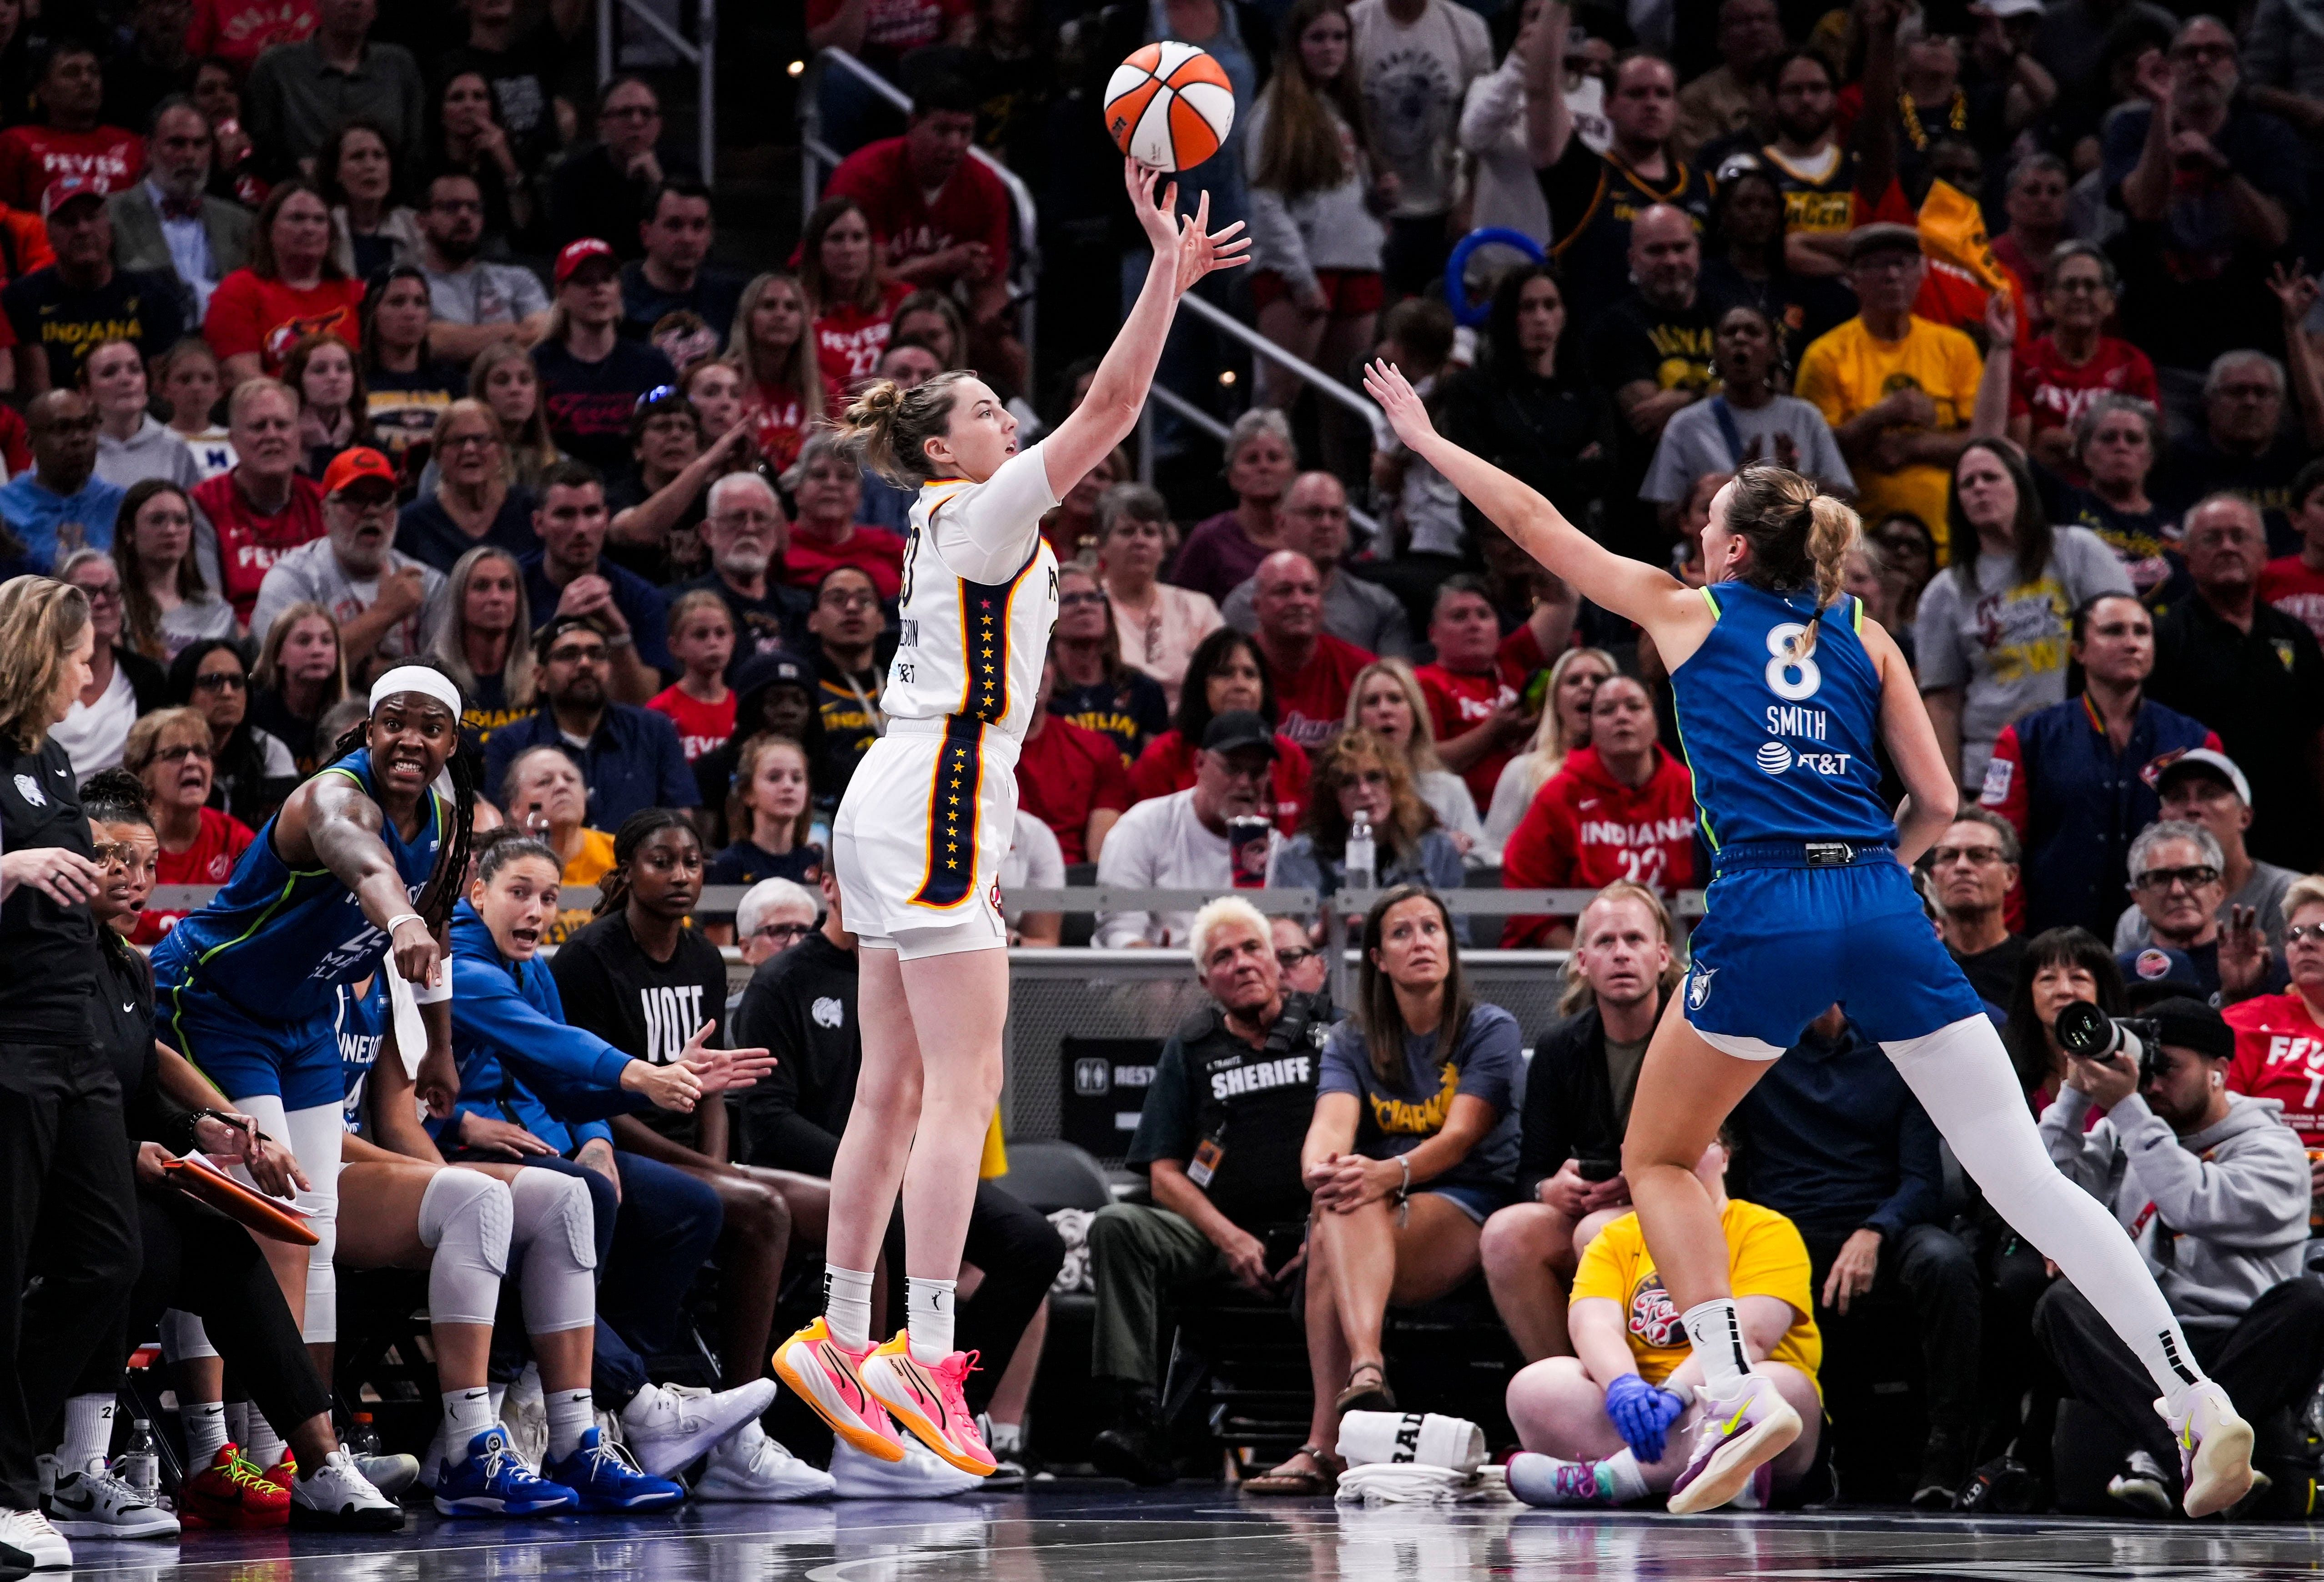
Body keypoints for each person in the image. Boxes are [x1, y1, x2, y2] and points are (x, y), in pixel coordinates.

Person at [1366, 355, 2261, 1517]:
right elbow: (1938, 804)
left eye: (1707, 521)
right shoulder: (1868, 633)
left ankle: (1736, 1387)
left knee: (1656, 1158)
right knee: (2025, 1176)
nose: (1695, 534)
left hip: (1767, 902)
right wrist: (1870, 889)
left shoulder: (1689, 615)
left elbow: (1536, 522)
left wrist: (1426, 437)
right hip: (1884, 908)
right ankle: (2192, 1393)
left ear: (1735, 549)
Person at [146, 662, 473, 1465]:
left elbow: (435, 920)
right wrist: (396, 920)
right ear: (367, 728)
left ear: (450, 742)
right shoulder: (329, 797)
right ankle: (217, 1447)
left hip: (303, 1021)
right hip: (213, 1002)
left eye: (431, 727)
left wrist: (439, 1044)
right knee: (255, 1221)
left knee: (315, 1229)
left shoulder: (445, 811)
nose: (411, 738)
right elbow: (368, 866)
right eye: (395, 720)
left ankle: (300, 1445)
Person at [435, 825, 781, 1509]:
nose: (535, 910)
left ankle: (604, 1394)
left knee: (690, 1208)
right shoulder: (458, 966)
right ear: (477, 894)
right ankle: (637, 1401)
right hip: (460, 1156)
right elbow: (553, 1044)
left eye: (548, 897)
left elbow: (557, 1083)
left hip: (544, 1144)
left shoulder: (532, 968)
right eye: (519, 893)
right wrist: (644, 1075)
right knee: (580, 1197)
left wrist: (594, 1133)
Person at [738, 862, 1065, 1492]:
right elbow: (768, 1120)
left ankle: (937, 1404)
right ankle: (871, 1430)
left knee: (1034, 1241)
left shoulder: (918, 966)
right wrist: (875, 1168)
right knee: (884, 1220)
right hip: (826, 1171)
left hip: (915, 1162)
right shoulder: (782, 981)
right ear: (831, 884)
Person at [547, 812, 840, 1501]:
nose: (681, 875)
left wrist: (716, 1160)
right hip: (614, 1144)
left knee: (847, 1209)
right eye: (661, 861)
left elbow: (712, 1083)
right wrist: (710, 1174)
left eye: (692, 862)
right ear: (625, 870)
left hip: (691, 1153)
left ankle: (849, 1426)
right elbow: (588, 1092)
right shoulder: (588, 957)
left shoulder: (705, 957)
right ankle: (740, 1430)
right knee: (761, 1210)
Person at [1245, 885, 1520, 1495]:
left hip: (1468, 1203)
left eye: (1431, 928)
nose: (1420, 941)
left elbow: (1458, 1138)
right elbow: (1328, 1131)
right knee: (1333, 1203)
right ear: (1376, 957)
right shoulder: (1352, 1040)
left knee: (1340, 1210)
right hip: (1379, 1208)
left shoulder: (1488, 1028)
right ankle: (1363, 1375)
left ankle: (1325, 1440)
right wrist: (1324, 1169)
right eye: (1402, 932)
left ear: (1449, 944)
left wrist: (1381, 1173)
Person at [2033, 996, 2321, 1517]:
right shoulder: (2123, 1134)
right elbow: (2042, 1198)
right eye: (2147, 1068)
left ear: (2220, 1071)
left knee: (2309, 1299)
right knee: (2060, 1303)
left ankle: (2157, 1456)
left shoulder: (2275, 1148)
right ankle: (2185, 1456)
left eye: (2168, 1068)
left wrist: (2127, 1108)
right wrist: (2074, 1095)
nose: (2153, 1084)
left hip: (2240, 1339)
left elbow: (2189, 1202)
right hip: (2148, 1341)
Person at [1084, 895, 1328, 1486]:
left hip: (1323, 1230)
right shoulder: (1189, 1050)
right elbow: (1162, 1171)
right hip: (1215, 1235)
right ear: (1203, 979)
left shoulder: (1334, 1034)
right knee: (1117, 1225)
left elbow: (1365, 1149)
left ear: (1276, 961)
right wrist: (1227, 1236)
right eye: (1224, 956)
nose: (1242, 963)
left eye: (1252, 948)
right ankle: (1142, 1419)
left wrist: (1321, 1235)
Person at [1731, 1000, 1982, 1508]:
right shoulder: (1752, 1052)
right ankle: (1785, 1453)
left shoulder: (1894, 1046)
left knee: (1945, 1259)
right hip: (1782, 1227)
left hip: (1881, 1220)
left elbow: (1922, 1180)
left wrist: (1875, 1231)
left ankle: (1947, 1452)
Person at [1499, 1130, 1824, 1510]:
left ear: (1726, 1158)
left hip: (1721, 1398)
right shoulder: (1616, 1237)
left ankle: (1615, 1479)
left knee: (1782, 1387)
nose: (1680, 1154)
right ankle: (1718, 1477)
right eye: (1662, 1145)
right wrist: (1624, 1387)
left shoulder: (1765, 1229)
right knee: (1534, 1386)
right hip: (1643, 1405)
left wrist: (1675, 1395)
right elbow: (1593, 1325)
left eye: (1699, 1141)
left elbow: (1752, 1337)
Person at [1482, 882, 1676, 1362]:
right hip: (1595, 1211)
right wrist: (1549, 1189)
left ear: (1663, 956)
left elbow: (1734, 1153)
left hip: (1681, 1207)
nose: (1621, 954)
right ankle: (1567, 1389)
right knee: (1506, 1234)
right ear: (1583, 963)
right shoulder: (1558, 1048)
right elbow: (1531, 1169)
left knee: (1597, 1235)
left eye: (1634, 940)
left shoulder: (1696, 1036)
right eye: (1606, 942)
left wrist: (1646, 1178)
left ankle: (1626, 1387)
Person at [1978, 594, 2217, 938]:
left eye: (2142, 632)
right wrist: (2012, 938)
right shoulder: (2026, 738)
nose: (2132, 643)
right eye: (2114, 631)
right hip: (2051, 940)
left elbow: (2216, 850)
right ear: (2078, 651)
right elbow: (1999, 847)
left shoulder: (2196, 741)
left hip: (2166, 940)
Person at [1916, 438, 2133, 792]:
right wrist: (1951, 800)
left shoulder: (2078, 550)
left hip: (2088, 752)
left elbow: (2129, 643)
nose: (1980, 489)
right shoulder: (1945, 591)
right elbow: (1942, 704)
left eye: (1991, 477)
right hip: (1989, 767)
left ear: (2021, 485)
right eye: (1967, 484)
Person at [2105, 20, 2304, 407]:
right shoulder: (2131, 127)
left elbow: (2276, 233)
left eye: (2216, 53)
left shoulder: (2270, 135)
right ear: (2169, 66)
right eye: (2187, 53)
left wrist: (2218, 166)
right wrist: (2162, 107)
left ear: (2237, 67)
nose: (2201, 61)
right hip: (2158, 349)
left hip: (2252, 352)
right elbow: (2145, 208)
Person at [2146, 495, 2324, 872]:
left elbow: (2316, 742)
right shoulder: (2163, 638)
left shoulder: (2295, 636)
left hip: (2292, 831)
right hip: (2200, 837)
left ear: (2264, 555)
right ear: (2188, 559)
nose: (2228, 547)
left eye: (2239, 537)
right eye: (2212, 539)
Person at [822, 76, 1020, 393]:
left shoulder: (986, 185)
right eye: (943, 131)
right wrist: (944, 263)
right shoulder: (865, 174)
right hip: (856, 303)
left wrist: (995, 317)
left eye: (965, 132)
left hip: (938, 311)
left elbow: (992, 287)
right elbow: (863, 278)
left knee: (1010, 354)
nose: (954, 144)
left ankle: (1012, 430)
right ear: (913, 126)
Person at [1794, 226, 1985, 547]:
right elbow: (1813, 456)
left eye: (1904, 263)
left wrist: (1913, 446)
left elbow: (1983, 442)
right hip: (1859, 544)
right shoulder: (1825, 355)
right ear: (1853, 279)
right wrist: (1878, 417)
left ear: (1922, 274)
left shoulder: (1956, 348)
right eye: (1877, 264)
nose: (1892, 274)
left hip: (1951, 540)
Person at [1245, 0, 1390, 414]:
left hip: (1358, 261)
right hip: (1301, 271)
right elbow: (1267, 204)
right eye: (1318, 38)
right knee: (1281, 399)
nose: (1331, 48)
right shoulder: (1274, 113)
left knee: (1347, 405)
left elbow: (1345, 195)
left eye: (1339, 37)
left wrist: (1381, 198)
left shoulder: (1346, 107)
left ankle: (1344, 481)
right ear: (1295, 46)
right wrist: (1302, 279)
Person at [1526, 37, 1713, 326]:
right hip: (1597, 360)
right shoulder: (1584, 177)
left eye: (1662, 94)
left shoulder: (1705, 187)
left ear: (1676, 107)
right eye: (1637, 94)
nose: (1651, 104)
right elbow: (1541, 91)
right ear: (1608, 104)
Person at [1501, 674, 1699, 947]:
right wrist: (1585, 962)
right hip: (1580, 958)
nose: (1622, 717)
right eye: (1607, 710)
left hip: (1685, 957)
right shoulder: (1560, 795)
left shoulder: (1695, 793)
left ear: (1655, 719)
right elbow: (1525, 893)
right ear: (1591, 727)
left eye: (1634, 707)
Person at [1435, 263, 1610, 567]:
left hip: (1579, 549)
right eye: (1528, 307)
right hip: (1497, 550)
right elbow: (1480, 482)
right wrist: (1570, 468)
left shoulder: (1590, 395)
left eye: (1550, 306)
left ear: (1564, 315)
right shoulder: (1471, 391)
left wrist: (1516, 466)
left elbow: (1602, 474)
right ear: (1509, 316)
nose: (1541, 317)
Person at [482, 613, 698, 835]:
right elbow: (502, 827)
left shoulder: (654, 731)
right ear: (541, 678)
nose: (585, 663)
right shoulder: (510, 742)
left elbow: (680, 819)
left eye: (597, 654)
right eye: (569, 654)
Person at [1643, 303, 1853, 519]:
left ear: (1774, 351)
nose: (1740, 339)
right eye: (1729, 332)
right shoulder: (1685, 425)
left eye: (1753, 332)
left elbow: (1845, 500)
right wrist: (1730, 488)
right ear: (1715, 350)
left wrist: (1794, 481)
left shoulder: (1805, 416)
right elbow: (1666, 518)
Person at [252, 446, 448, 675]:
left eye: (383, 500)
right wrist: (385, 613)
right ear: (325, 513)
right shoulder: (293, 579)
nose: (371, 512)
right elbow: (279, 669)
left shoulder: (429, 584)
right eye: (355, 500)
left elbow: (445, 681)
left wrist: (374, 671)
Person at [4, 176, 183, 396]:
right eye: (69, 222)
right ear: (48, 232)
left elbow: (161, 391)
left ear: (110, 225)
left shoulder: (153, 294)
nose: (83, 230)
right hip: (62, 423)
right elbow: (39, 398)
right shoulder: (24, 298)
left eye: (92, 217)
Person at [2112, 751, 2301, 956]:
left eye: (2210, 794)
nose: (2193, 808)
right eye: (2178, 797)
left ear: (2245, 817)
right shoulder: (2137, 920)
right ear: (2163, 820)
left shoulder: (2291, 895)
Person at [1129, 628, 1314, 832]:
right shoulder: (1164, 756)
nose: (1240, 685)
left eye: (1250, 674)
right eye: (1225, 674)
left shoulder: (1289, 756)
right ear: (1201, 685)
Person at [519, 459, 673, 697]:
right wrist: (560, 626)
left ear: (606, 518)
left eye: (591, 513)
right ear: (539, 524)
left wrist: (620, 634)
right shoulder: (510, 587)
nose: (581, 528)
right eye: (565, 514)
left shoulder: (640, 596)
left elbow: (643, 704)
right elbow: (509, 697)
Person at [533, 239, 678, 488]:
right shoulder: (538, 364)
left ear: (618, 288)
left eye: (607, 280)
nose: (598, 289)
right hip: (560, 490)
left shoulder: (652, 364)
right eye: (585, 281)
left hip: (638, 492)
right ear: (561, 292)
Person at [1269, 724, 1465, 907]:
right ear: (1332, 795)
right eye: (1348, 782)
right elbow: (1295, 938)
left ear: (1394, 784)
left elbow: (1457, 936)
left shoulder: (1437, 849)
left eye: (1374, 777)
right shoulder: (1301, 855)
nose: (1364, 791)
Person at [2005, 244, 2157, 482]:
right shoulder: (2022, 365)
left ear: (2110, 302)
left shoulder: (2134, 364)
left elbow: (2150, 449)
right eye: (2069, 285)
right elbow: (2017, 456)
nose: (2080, 294)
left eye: (2091, 286)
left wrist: (2077, 448)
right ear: (2048, 301)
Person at [1222, 471, 1412, 659]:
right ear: (1282, 524)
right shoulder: (1244, 605)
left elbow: (1400, 684)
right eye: (1314, 513)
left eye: (1336, 514)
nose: (1326, 524)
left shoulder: (1380, 606)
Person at [2223, 876, 2324, 1206]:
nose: (2305, 943)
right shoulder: (2247, 1022)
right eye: (2294, 935)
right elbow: (2216, 1124)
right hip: (2266, 1194)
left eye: (2321, 931)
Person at [192, 377, 326, 624]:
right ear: (233, 441)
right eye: (258, 427)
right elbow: (210, 607)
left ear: (298, 437)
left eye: (282, 425)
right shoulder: (204, 503)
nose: (271, 435)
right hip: (238, 645)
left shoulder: (324, 503)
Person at [203, 181, 366, 382]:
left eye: (320, 220)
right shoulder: (238, 290)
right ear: (269, 230)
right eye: (297, 219)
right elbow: (239, 372)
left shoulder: (355, 293)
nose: (309, 228)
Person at [244, 0, 426, 177]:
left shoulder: (399, 65)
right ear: (318, 5)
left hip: (385, 195)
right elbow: (262, 145)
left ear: (376, 9)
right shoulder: (277, 66)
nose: (355, 2)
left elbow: (416, 145)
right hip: (302, 194)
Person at [121, 704, 253, 944]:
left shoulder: (236, 841)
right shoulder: (120, 846)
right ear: (143, 775)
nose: (192, 762)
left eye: (201, 752)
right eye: (175, 754)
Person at [2114, 821, 2283, 1005]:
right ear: (2137, 897)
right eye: (2160, 879)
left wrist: (2238, 996)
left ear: (2219, 890)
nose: (2178, 891)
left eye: (2193, 876)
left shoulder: (2262, 969)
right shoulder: (2118, 977)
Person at [1343, 656, 1487, 858]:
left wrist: (1451, 851)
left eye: (1395, 699)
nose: (1385, 710)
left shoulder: (1448, 789)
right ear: (1357, 719)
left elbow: (1483, 866)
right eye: (1372, 701)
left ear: (1416, 715)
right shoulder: (1341, 788)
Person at [1097, 482, 1224, 710]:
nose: (1140, 541)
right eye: (1127, 531)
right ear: (1102, 546)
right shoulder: (1091, 605)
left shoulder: (1198, 607)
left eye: (1150, 532)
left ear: (1164, 546)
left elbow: (1223, 673)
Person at [1483, 645, 1613, 853]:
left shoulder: (1635, 777)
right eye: (1574, 681)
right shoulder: (1521, 771)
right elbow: (1494, 854)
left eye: (1598, 680)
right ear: (1555, 702)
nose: (1587, 687)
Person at [49, 549, 166, 777]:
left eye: (110, 591)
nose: (102, 602)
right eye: (87, 591)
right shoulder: (36, 677)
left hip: (125, 809)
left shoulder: (149, 678)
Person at [1169, 409, 1298, 605]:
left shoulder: (1307, 534)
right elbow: (1180, 610)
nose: (1264, 467)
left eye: (1274, 458)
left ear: (1293, 470)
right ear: (1232, 476)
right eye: (1252, 459)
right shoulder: (1209, 538)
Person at [1249, 549, 1372, 753]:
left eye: (1309, 591)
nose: (1299, 601)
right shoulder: (1233, 670)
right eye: (1284, 591)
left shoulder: (1361, 671)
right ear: (1257, 606)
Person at [1015, 651, 1132, 864]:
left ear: (1053, 672)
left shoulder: (1097, 749)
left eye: (1041, 660)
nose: (1032, 670)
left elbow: (1101, 864)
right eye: (1016, 660)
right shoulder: (963, 752)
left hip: (1073, 886)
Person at [397, 398, 539, 572]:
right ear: (438, 455)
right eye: (458, 441)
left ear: (500, 450)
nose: (470, 449)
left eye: (480, 439)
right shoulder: (412, 522)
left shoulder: (531, 509)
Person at [168, 637, 298, 825]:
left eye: (237, 682)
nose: (228, 693)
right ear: (185, 688)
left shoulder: (269, 750)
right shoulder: (161, 752)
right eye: (213, 681)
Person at [0, 42, 143, 212]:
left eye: (94, 73)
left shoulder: (132, 144)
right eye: (72, 73)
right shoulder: (17, 142)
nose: (86, 81)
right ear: (43, 90)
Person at [797, 195, 911, 407]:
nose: (849, 250)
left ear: (870, 247)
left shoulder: (902, 300)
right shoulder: (795, 305)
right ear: (816, 250)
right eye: (837, 238)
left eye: (858, 238)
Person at [492, 743, 611, 945]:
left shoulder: (618, 853)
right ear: (516, 807)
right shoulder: (497, 864)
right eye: (544, 782)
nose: (562, 786)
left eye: (570, 779)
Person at [548, 78, 677, 261]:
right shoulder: (573, 176)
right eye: (625, 113)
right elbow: (569, 252)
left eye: (646, 113)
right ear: (602, 123)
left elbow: (691, 246)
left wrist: (659, 186)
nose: (637, 121)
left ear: (659, 124)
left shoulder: (680, 171)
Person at [0, 390, 127, 570]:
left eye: (86, 426)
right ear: (29, 443)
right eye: (62, 428)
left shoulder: (121, 505)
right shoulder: (5, 510)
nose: (78, 439)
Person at [428, 544, 535, 749]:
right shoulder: (434, 679)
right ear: (459, 599)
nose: (496, 598)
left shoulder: (542, 677)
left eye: (505, 586)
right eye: (481, 587)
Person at [113, 478, 234, 660]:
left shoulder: (218, 612)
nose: (171, 530)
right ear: (128, 532)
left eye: (181, 521)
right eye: (157, 520)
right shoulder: (113, 609)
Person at [361, 265, 461, 477]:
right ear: (372, 312)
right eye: (397, 302)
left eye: (420, 303)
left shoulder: (453, 383)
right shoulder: (354, 380)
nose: (411, 313)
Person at [781, 433, 907, 602]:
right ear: (797, 491)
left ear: (859, 497)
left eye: (845, 477)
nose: (832, 484)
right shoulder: (778, 546)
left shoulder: (889, 545)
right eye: (820, 475)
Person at [619, 178, 742, 347]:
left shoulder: (732, 298)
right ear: (646, 234)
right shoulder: (616, 297)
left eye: (698, 226)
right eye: (675, 226)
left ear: (711, 234)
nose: (687, 239)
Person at [802, 564, 888, 803]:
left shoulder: (908, 682)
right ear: (813, 620)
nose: (852, 608)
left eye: (865, 600)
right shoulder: (800, 690)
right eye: (837, 599)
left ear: (882, 620)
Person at [1926, 809, 2027, 1004]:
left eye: (1979, 855)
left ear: (2011, 876)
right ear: (1934, 876)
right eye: (1948, 856)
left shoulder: (2035, 970)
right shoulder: (1915, 965)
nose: (1962, 866)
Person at [730, 272, 821, 475]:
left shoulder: (825, 390)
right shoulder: (726, 384)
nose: (781, 314)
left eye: (791, 307)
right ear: (748, 318)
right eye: (769, 306)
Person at [86, 338, 201, 494]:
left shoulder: (175, 448)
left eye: (135, 370)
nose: (126, 380)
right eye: (110, 373)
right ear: (86, 392)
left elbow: (194, 515)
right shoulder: (76, 449)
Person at [709, 732, 822, 887]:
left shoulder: (816, 864)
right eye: (774, 778)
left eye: (797, 779)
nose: (788, 786)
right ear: (748, 793)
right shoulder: (728, 865)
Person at [248, 600, 346, 772]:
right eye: (304, 641)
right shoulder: (252, 713)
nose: (317, 650)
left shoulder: (352, 717)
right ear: (278, 654)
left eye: (326, 641)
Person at [1676, 0, 1784, 152]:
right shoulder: (1696, 99)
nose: (1756, 28)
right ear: (1721, 37)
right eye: (1743, 21)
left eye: (1764, 19)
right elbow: (1703, 165)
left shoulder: (1804, 89)